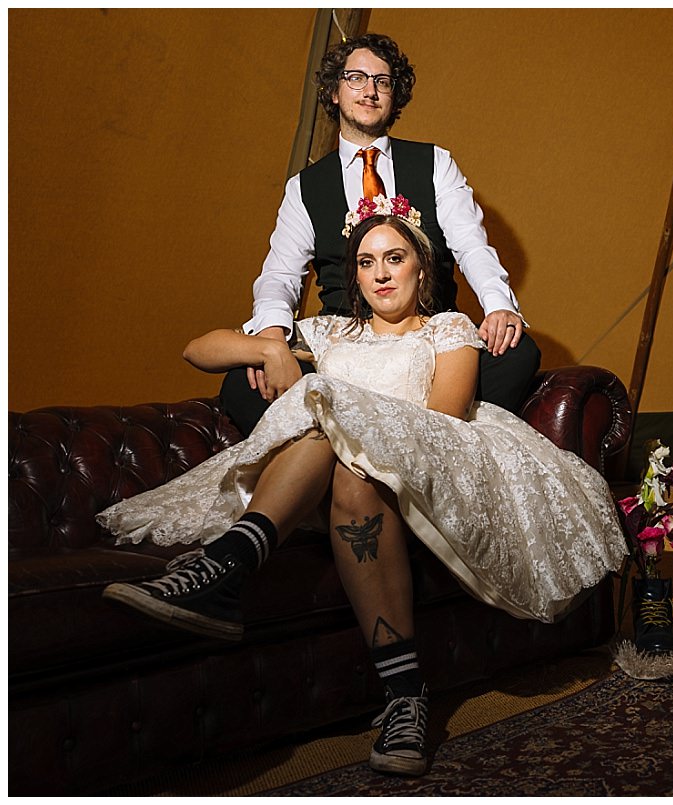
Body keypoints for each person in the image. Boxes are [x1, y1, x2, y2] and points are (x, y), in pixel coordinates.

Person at [99, 200, 627, 776]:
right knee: (327, 428)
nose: (380, 273)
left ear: (420, 270)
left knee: (336, 430)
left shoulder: (448, 329)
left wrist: (348, 418)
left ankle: (241, 582)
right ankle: (398, 688)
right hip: (323, 473)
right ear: (353, 275)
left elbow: (442, 420)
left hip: (427, 461)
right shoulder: (329, 333)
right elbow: (197, 349)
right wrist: (272, 347)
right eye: (367, 262)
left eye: (394, 259)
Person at [222, 32, 540, 436]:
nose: (369, 91)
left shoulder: (435, 163)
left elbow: (472, 246)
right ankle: (339, 453)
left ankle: (423, 443)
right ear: (335, 92)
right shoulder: (304, 187)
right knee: (241, 384)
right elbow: (280, 277)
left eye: (383, 81)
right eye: (356, 78)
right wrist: (270, 337)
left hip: (430, 339)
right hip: (344, 347)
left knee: (518, 353)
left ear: (395, 95)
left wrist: (498, 306)